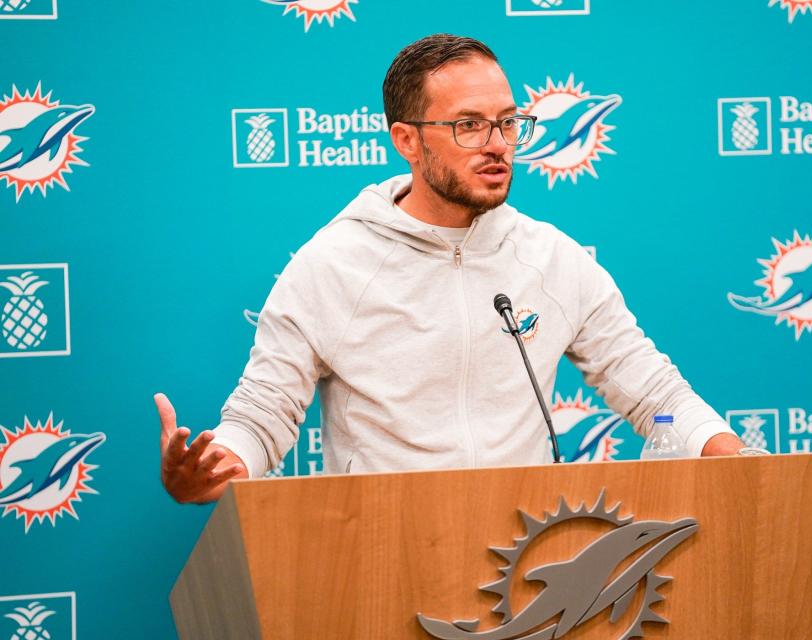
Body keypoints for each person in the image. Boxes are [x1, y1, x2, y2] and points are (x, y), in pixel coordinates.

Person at [157, 34, 745, 504]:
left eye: (508, 122)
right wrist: (218, 466)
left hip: (524, 559)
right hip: (380, 556)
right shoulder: (332, 265)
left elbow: (652, 388)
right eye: (469, 125)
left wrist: (740, 462)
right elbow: (263, 414)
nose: (497, 144)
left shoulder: (551, 258)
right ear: (407, 140)